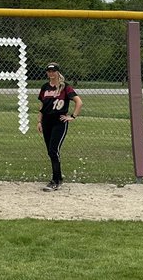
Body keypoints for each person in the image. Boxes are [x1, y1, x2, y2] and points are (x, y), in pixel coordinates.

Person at [36, 63, 83, 192]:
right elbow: (42, 106)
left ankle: (55, 180)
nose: (51, 73)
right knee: (50, 151)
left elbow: (79, 102)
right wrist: (39, 121)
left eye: (53, 71)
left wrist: (73, 116)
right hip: (47, 122)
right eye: (49, 71)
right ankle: (58, 178)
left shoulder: (65, 87)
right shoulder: (45, 87)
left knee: (53, 150)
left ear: (58, 72)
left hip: (59, 122)